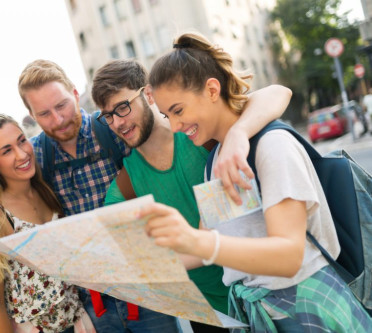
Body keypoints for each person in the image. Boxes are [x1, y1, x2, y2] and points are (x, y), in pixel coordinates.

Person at [0, 59, 288, 332]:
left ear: (76, 95)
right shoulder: (33, 157)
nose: (58, 119)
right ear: (32, 118)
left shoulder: (119, 130)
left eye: (62, 105)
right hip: (96, 306)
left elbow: (272, 95)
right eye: (44, 114)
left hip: (161, 297)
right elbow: (0, 172)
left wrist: (237, 136)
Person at [143, 31, 372, 332]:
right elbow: (200, 243)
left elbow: (290, 255)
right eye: (165, 115)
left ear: (212, 90)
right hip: (268, 317)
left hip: (309, 313)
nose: (173, 126)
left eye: (178, 111)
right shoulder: (214, 162)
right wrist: (136, 268)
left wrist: (200, 242)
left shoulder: (271, 145)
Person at [92, 59, 290, 332]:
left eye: (122, 107)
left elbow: (278, 93)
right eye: (108, 116)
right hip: (210, 315)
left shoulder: (197, 132)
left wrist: (238, 134)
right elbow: (106, 233)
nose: (117, 122)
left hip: (264, 292)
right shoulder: (128, 180)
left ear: (148, 94)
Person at [0, 112, 93, 333]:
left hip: (79, 323)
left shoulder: (47, 191)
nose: (22, 154)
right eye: (6, 151)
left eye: (22, 140)